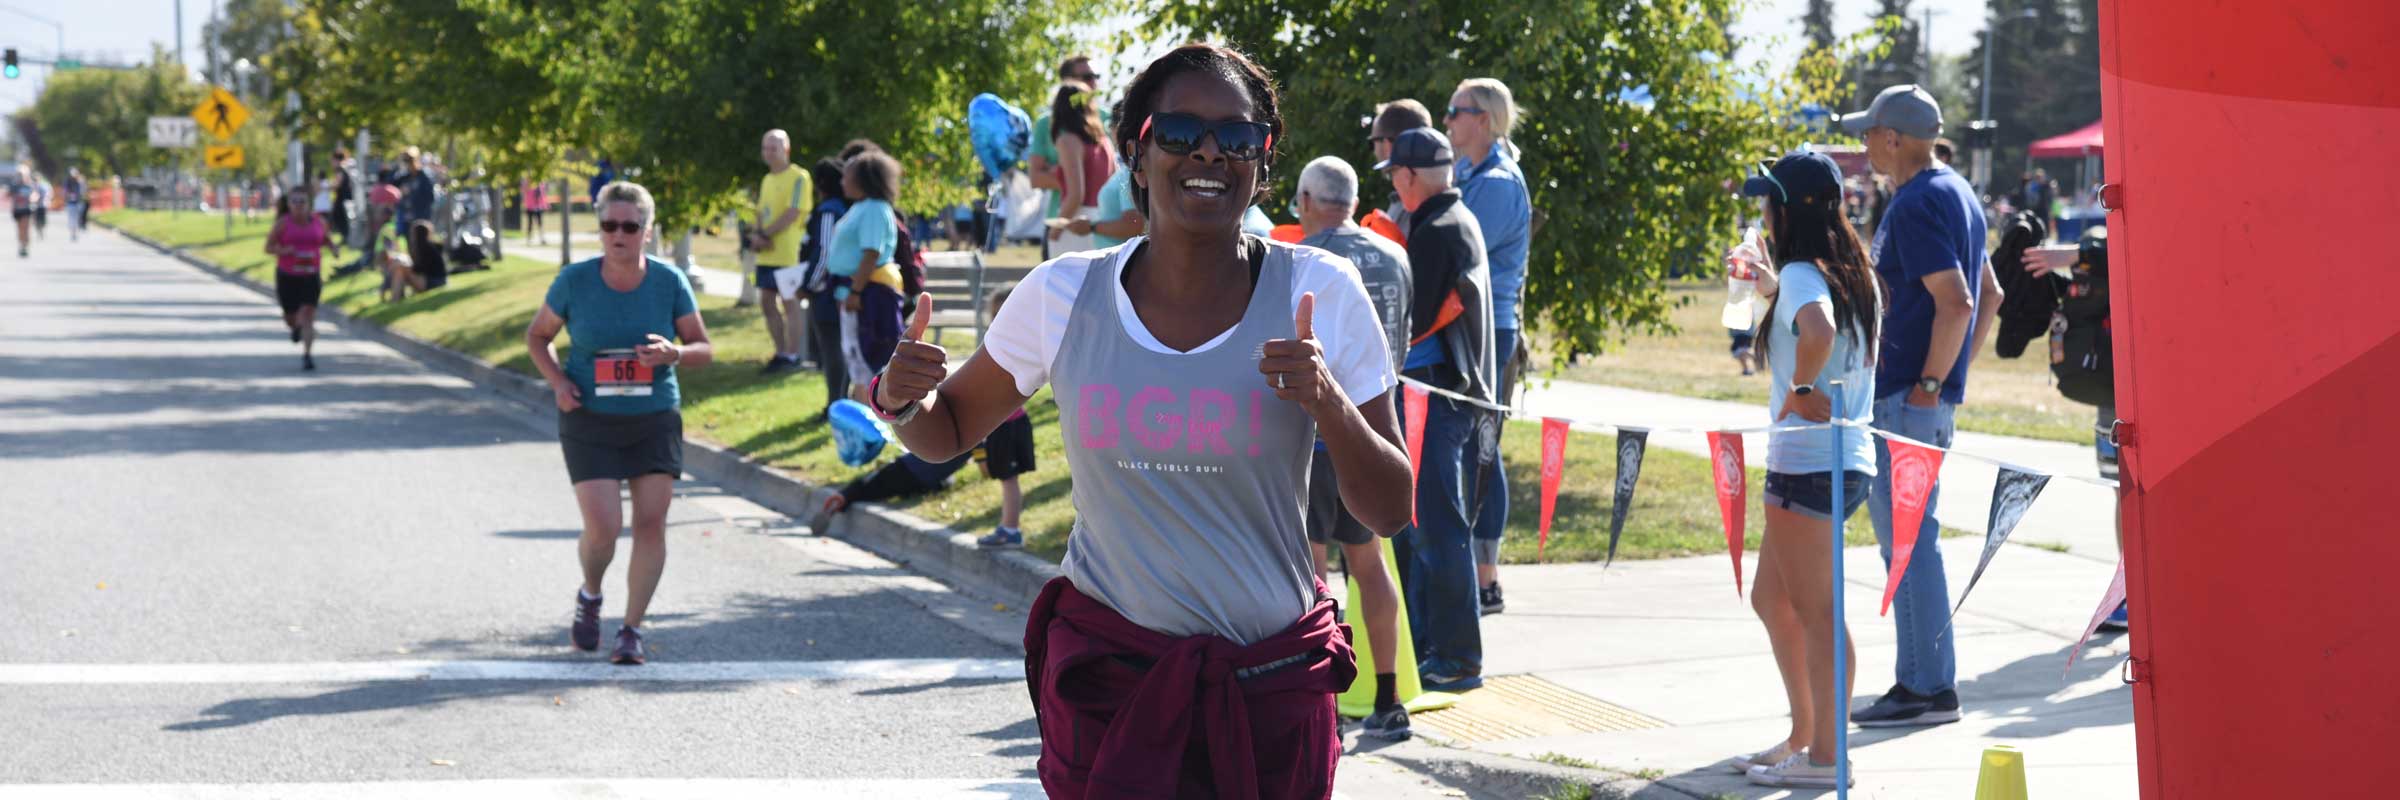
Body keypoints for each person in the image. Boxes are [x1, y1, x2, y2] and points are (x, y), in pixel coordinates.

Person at [874, 44, 1410, 797]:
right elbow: (948, 431)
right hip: (1111, 692)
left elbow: (1390, 507)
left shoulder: (1318, 291)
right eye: (1181, 132)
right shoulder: (1063, 295)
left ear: (1263, 158)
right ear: (1137, 149)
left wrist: (1329, 403)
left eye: (1237, 137)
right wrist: (903, 398)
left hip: (1268, 696)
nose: (1209, 154)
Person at [1839, 84, 2000, 728]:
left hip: (1906, 400)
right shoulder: (1956, 191)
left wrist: (1932, 382)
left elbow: (1959, 301)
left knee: (1908, 546)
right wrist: (1951, 376)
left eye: (1869, 134)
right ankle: (1925, 683)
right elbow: (1989, 295)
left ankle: (1925, 688)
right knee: (1912, 542)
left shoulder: (1916, 202)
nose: (1864, 146)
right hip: (1919, 398)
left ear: (1894, 137)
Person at [1734, 150, 1884, 789]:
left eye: (1768, 202)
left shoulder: (1803, 273)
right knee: (1773, 599)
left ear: (1786, 210)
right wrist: (1771, 289)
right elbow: (1822, 327)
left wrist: (1798, 390)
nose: (1762, 214)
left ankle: (1826, 756)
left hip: (1808, 463)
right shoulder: (1850, 268)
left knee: (1819, 612)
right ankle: (1806, 736)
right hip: (1844, 458)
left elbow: (1817, 332)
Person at [525, 181, 714, 667]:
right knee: (604, 528)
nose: (618, 235)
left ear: (647, 232)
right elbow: (539, 337)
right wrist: (559, 383)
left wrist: (674, 354)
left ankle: (631, 629)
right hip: (589, 418)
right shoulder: (574, 281)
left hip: (654, 417)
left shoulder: (669, 281)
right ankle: (591, 593)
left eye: (630, 226)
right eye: (609, 225)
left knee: (651, 524)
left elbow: (703, 348)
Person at [1294, 155, 1415, 739]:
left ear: (1306, 202)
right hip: (1377, 433)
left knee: (1313, 572)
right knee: (1369, 564)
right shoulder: (1395, 255)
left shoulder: (1301, 261)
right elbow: (1404, 341)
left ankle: (1325, 702)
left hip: (1316, 435)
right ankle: (1389, 698)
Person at [1382, 127, 1497, 691]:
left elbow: (1413, 319)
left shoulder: (1437, 229)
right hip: (1445, 393)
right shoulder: (1452, 218)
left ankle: (1457, 658)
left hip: (1437, 394)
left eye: (1394, 177)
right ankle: (1433, 648)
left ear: (1408, 176)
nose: (1394, 188)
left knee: (1438, 526)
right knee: (1425, 524)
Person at [1445, 78, 1534, 614]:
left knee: (1480, 446)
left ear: (1482, 119)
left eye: (1454, 111)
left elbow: (1456, 246)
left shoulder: (1498, 183)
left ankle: (1487, 579)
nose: (1447, 120)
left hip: (1490, 328)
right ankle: (1475, 573)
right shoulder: (1470, 172)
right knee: (1466, 444)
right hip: (1468, 323)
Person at [829, 151, 909, 402]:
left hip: (869, 293)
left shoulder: (874, 209)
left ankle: (870, 411)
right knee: (855, 356)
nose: (842, 181)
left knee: (868, 357)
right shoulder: (861, 207)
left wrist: (855, 291)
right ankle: (861, 405)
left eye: (847, 176)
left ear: (864, 179)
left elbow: (871, 252)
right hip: (856, 289)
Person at [749, 130, 816, 374]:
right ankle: (780, 352)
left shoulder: (799, 176)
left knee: (790, 302)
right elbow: (760, 212)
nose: (768, 153)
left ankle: (793, 354)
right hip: (767, 253)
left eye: (773, 148)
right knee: (767, 301)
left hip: (788, 252)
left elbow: (793, 213)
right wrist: (757, 236)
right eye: (765, 148)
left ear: (786, 150)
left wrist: (765, 235)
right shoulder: (767, 179)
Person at [1026, 55, 1104, 260]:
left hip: (1073, 221)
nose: (1093, 82)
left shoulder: (1100, 122)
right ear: (1066, 81)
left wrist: (1062, 174)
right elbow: (1035, 178)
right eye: (1086, 77)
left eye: (1095, 76)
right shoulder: (1046, 123)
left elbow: (1077, 192)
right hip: (1089, 219)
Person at [799, 157, 851, 413]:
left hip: (828, 293)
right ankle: (841, 401)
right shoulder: (847, 208)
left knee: (832, 350)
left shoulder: (830, 211)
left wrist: (808, 285)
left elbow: (825, 253)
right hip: (842, 289)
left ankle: (835, 403)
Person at [264, 189, 337, 371]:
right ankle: (296, 327)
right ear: (289, 204)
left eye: (302, 201)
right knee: (290, 317)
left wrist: (333, 248)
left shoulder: (319, 222)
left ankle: (307, 355)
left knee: (308, 314)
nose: (298, 205)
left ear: (309, 204)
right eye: (294, 201)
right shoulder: (283, 223)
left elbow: (326, 238)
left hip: (311, 275)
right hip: (287, 276)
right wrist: (283, 251)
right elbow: (268, 247)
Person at [1045, 83, 1115, 255]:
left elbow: (1076, 195)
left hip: (1076, 224)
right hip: (1102, 222)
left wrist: (1055, 231)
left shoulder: (1068, 140)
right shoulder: (1104, 141)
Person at [1364, 100, 1435, 243]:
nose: (1374, 152)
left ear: (1387, 144)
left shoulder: (1413, 202)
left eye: (1372, 143)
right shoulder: (1443, 194)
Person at [1077, 162, 1143, 248]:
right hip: (1113, 254)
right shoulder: (1125, 171)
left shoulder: (1128, 174)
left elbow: (1133, 226)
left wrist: (1091, 227)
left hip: (1121, 254)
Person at [382, 219, 449, 303]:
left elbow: (421, 269)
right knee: (399, 269)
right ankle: (397, 297)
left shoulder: (427, 248)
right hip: (429, 280)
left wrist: (406, 266)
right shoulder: (421, 247)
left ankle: (394, 298)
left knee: (400, 268)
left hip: (435, 282)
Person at [9, 163, 35, 257]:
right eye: (19, 175)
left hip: (26, 209)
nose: (20, 177)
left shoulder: (30, 185)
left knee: (26, 228)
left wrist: (33, 199)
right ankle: (21, 245)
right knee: (20, 228)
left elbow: (34, 195)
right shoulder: (14, 186)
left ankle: (25, 245)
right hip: (17, 210)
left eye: (22, 175)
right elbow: (10, 196)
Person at [523, 179, 550, 245]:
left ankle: (542, 238)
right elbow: (525, 191)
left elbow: (543, 195)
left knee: (540, 223)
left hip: (538, 206)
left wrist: (545, 205)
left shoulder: (541, 182)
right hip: (530, 206)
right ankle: (529, 239)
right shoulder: (528, 182)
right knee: (530, 223)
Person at [63, 168, 87, 242]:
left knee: (77, 218)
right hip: (70, 203)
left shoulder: (80, 182)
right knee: (72, 218)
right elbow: (65, 192)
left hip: (79, 202)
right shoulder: (67, 182)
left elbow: (83, 191)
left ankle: (76, 232)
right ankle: (73, 233)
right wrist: (69, 196)